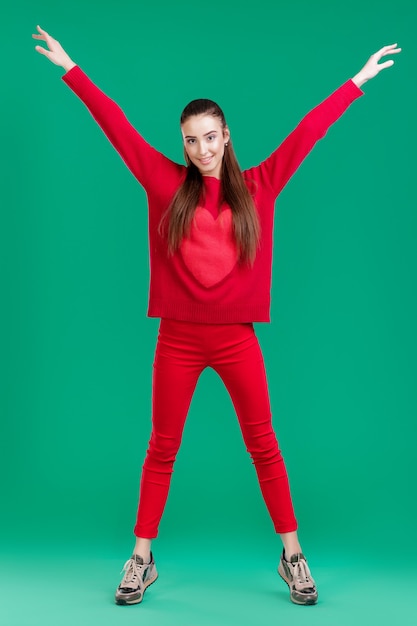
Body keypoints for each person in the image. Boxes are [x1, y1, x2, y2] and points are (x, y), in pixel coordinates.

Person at [32, 25, 400, 607]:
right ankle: (141, 558)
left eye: (210, 136)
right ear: (181, 144)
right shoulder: (165, 186)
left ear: (227, 136)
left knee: (264, 444)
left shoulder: (259, 187)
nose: (201, 149)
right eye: (190, 140)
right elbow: (118, 130)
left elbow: (309, 131)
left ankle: (293, 555)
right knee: (162, 446)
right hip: (177, 341)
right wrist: (71, 68)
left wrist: (356, 81)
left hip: (236, 341)